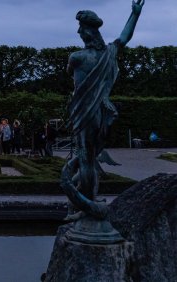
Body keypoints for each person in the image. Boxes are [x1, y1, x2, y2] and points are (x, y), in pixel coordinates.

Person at [63, 0, 144, 218]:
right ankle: (89, 199)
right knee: (91, 157)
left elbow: (72, 77)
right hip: (103, 112)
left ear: (88, 31)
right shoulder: (108, 53)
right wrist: (135, 14)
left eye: (81, 29)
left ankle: (86, 207)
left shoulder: (77, 57)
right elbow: (124, 38)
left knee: (86, 158)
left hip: (85, 114)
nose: (79, 32)